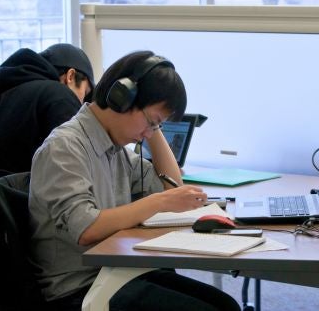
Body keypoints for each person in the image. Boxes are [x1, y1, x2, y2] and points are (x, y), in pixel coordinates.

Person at [28, 51, 241, 311]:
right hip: (79, 289)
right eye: (151, 122)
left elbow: (171, 184)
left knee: (225, 304)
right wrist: (159, 202)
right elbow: (86, 229)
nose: (146, 135)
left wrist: (153, 128)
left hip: (116, 272)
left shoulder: (115, 149)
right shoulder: (64, 147)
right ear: (121, 98)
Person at [0, 43, 95, 173]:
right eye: (85, 93)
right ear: (70, 76)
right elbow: (72, 165)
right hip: (20, 192)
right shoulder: (59, 95)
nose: (82, 102)